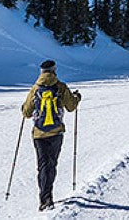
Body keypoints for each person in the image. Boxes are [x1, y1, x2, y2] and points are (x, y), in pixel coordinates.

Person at [22, 59, 81, 212]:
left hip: (39, 134)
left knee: (42, 165)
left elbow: (26, 113)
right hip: (56, 132)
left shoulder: (35, 88)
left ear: (41, 72)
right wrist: (77, 98)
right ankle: (48, 197)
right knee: (51, 164)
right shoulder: (61, 87)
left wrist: (24, 107)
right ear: (54, 70)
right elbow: (71, 107)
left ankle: (44, 198)